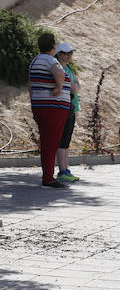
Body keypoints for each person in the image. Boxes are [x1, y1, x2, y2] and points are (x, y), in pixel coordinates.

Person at [29, 32, 72, 189]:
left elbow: (30, 85)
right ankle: (48, 178)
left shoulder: (35, 61)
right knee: (51, 142)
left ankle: (47, 176)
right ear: (53, 46)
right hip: (54, 108)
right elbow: (59, 73)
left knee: (47, 142)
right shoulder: (50, 60)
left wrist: (34, 102)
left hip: (40, 106)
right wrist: (59, 87)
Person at [54, 42, 81, 183]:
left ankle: (66, 169)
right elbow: (74, 87)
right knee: (62, 140)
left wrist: (74, 85)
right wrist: (74, 85)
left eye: (70, 52)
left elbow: (77, 86)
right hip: (63, 107)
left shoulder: (69, 68)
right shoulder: (59, 69)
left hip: (71, 107)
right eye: (65, 53)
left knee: (67, 141)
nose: (68, 55)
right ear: (58, 54)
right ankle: (62, 170)